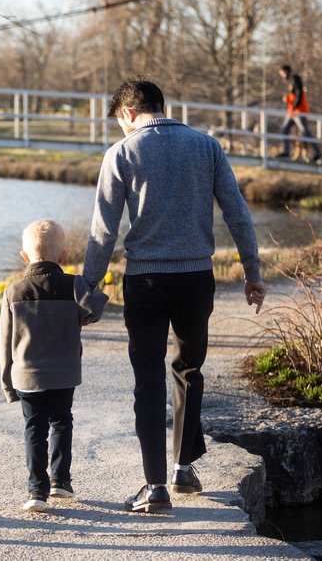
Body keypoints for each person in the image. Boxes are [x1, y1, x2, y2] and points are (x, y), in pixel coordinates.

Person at [82, 78, 267, 513]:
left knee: (147, 378)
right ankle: (184, 468)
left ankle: (154, 486)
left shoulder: (122, 153)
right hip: (195, 278)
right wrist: (252, 273)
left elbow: (103, 231)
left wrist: (86, 288)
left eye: (120, 123)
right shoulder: (207, 147)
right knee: (189, 369)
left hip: (144, 281)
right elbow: (237, 213)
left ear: (128, 114)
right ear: (160, 105)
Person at [0, 219, 108, 514]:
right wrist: (95, 298)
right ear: (62, 256)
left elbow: (5, 342)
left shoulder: (13, 291)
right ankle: (61, 479)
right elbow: (93, 309)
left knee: (34, 429)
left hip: (26, 374)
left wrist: (7, 383)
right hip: (64, 372)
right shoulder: (73, 285)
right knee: (62, 422)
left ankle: (37, 489)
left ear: (25, 256)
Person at [277, 64, 322, 163]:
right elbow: (294, 95)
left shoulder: (295, 79)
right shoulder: (291, 81)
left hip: (298, 112)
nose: (281, 75)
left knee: (306, 132)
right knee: (285, 129)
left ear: (286, 72)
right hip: (292, 113)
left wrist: (294, 107)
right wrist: (287, 99)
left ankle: (318, 152)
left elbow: (299, 94)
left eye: (282, 73)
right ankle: (286, 152)